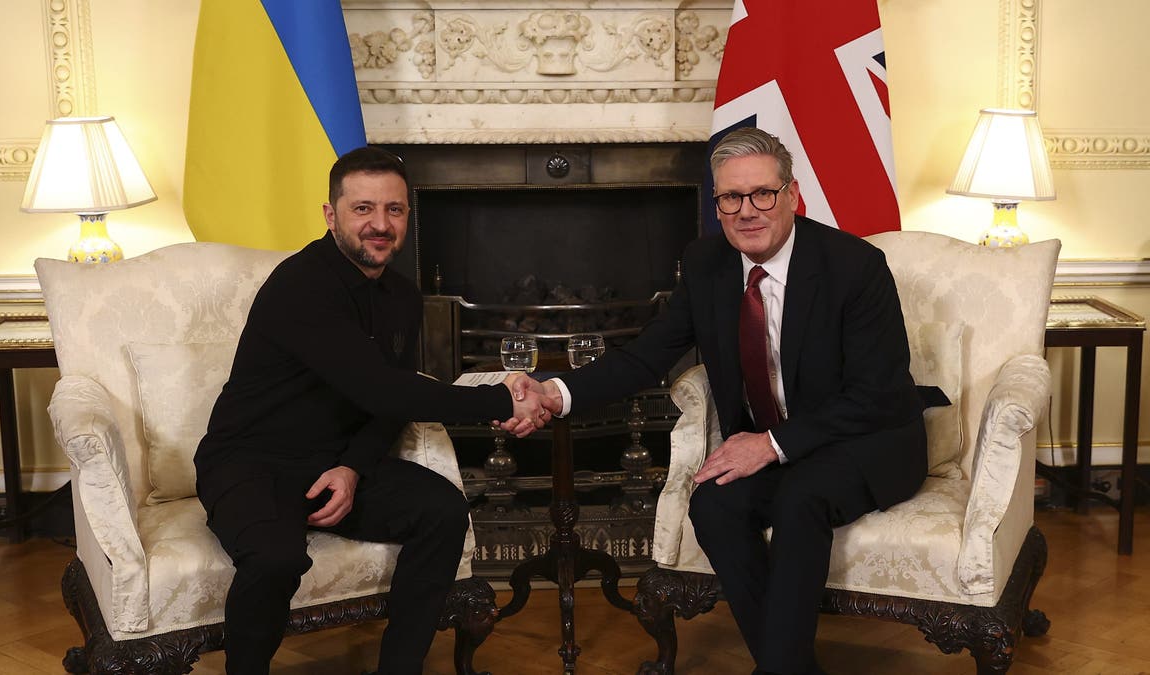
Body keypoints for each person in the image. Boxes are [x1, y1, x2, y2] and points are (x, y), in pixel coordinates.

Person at [512, 128, 928, 674]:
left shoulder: (854, 266)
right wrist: (556, 391)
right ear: (717, 204)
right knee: (714, 502)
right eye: (731, 198)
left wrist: (772, 444)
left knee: (802, 494)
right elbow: (646, 355)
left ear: (792, 194)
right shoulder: (707, 263)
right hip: (780, 445)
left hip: (867, 439)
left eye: (762, 194)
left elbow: (877, 394)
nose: (747, 211)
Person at [194, 146, 552, 675]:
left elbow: (387, 404)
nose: (380, 225)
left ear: (408, 214)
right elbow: (388, 392)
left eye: (394, 210)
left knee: (442, 510)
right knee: (276, 558)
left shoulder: (402, 297)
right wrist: (505, 398)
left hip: (331, 462)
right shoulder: (301, 285)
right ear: (330, 214)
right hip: (249, 461)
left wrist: (353, 467)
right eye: (363, 209)